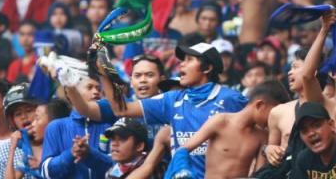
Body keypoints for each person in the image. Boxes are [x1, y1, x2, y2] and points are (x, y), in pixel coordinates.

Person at [97, 42, 247, 178]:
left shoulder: (231, 99)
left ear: (207, 68)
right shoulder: (172, 100)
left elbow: (256, 134)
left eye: (189, 60)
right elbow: (121, 110)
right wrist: (102, 71)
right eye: (182, 60)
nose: (181, 64)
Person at [169, 80, 290, 178]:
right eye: (274, 112)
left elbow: (258, 175)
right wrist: (182, 168)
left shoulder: (262, 136)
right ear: (260, 105)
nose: (275, 118)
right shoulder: (221, 121)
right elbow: (184, 148)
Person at [40, 76, 114, 179]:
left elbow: (117, 168)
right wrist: (71, 154)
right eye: (89, 87)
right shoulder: (56, 127)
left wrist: (90, 155)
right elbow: (46, 173)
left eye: (98, 89)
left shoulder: (110, 125)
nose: (96, 92)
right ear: (72, 94)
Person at [0, 83, 40, 179]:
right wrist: (12, 149)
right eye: (18, 114)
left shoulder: (51, 140)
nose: (24, 117)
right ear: (12, 121)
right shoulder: (4, 151)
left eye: (29, 110)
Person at [292, 102, 336, 179]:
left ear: (331, 125)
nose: (311, 133)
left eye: (317, 125)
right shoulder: (304, 160)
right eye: (305, 131)